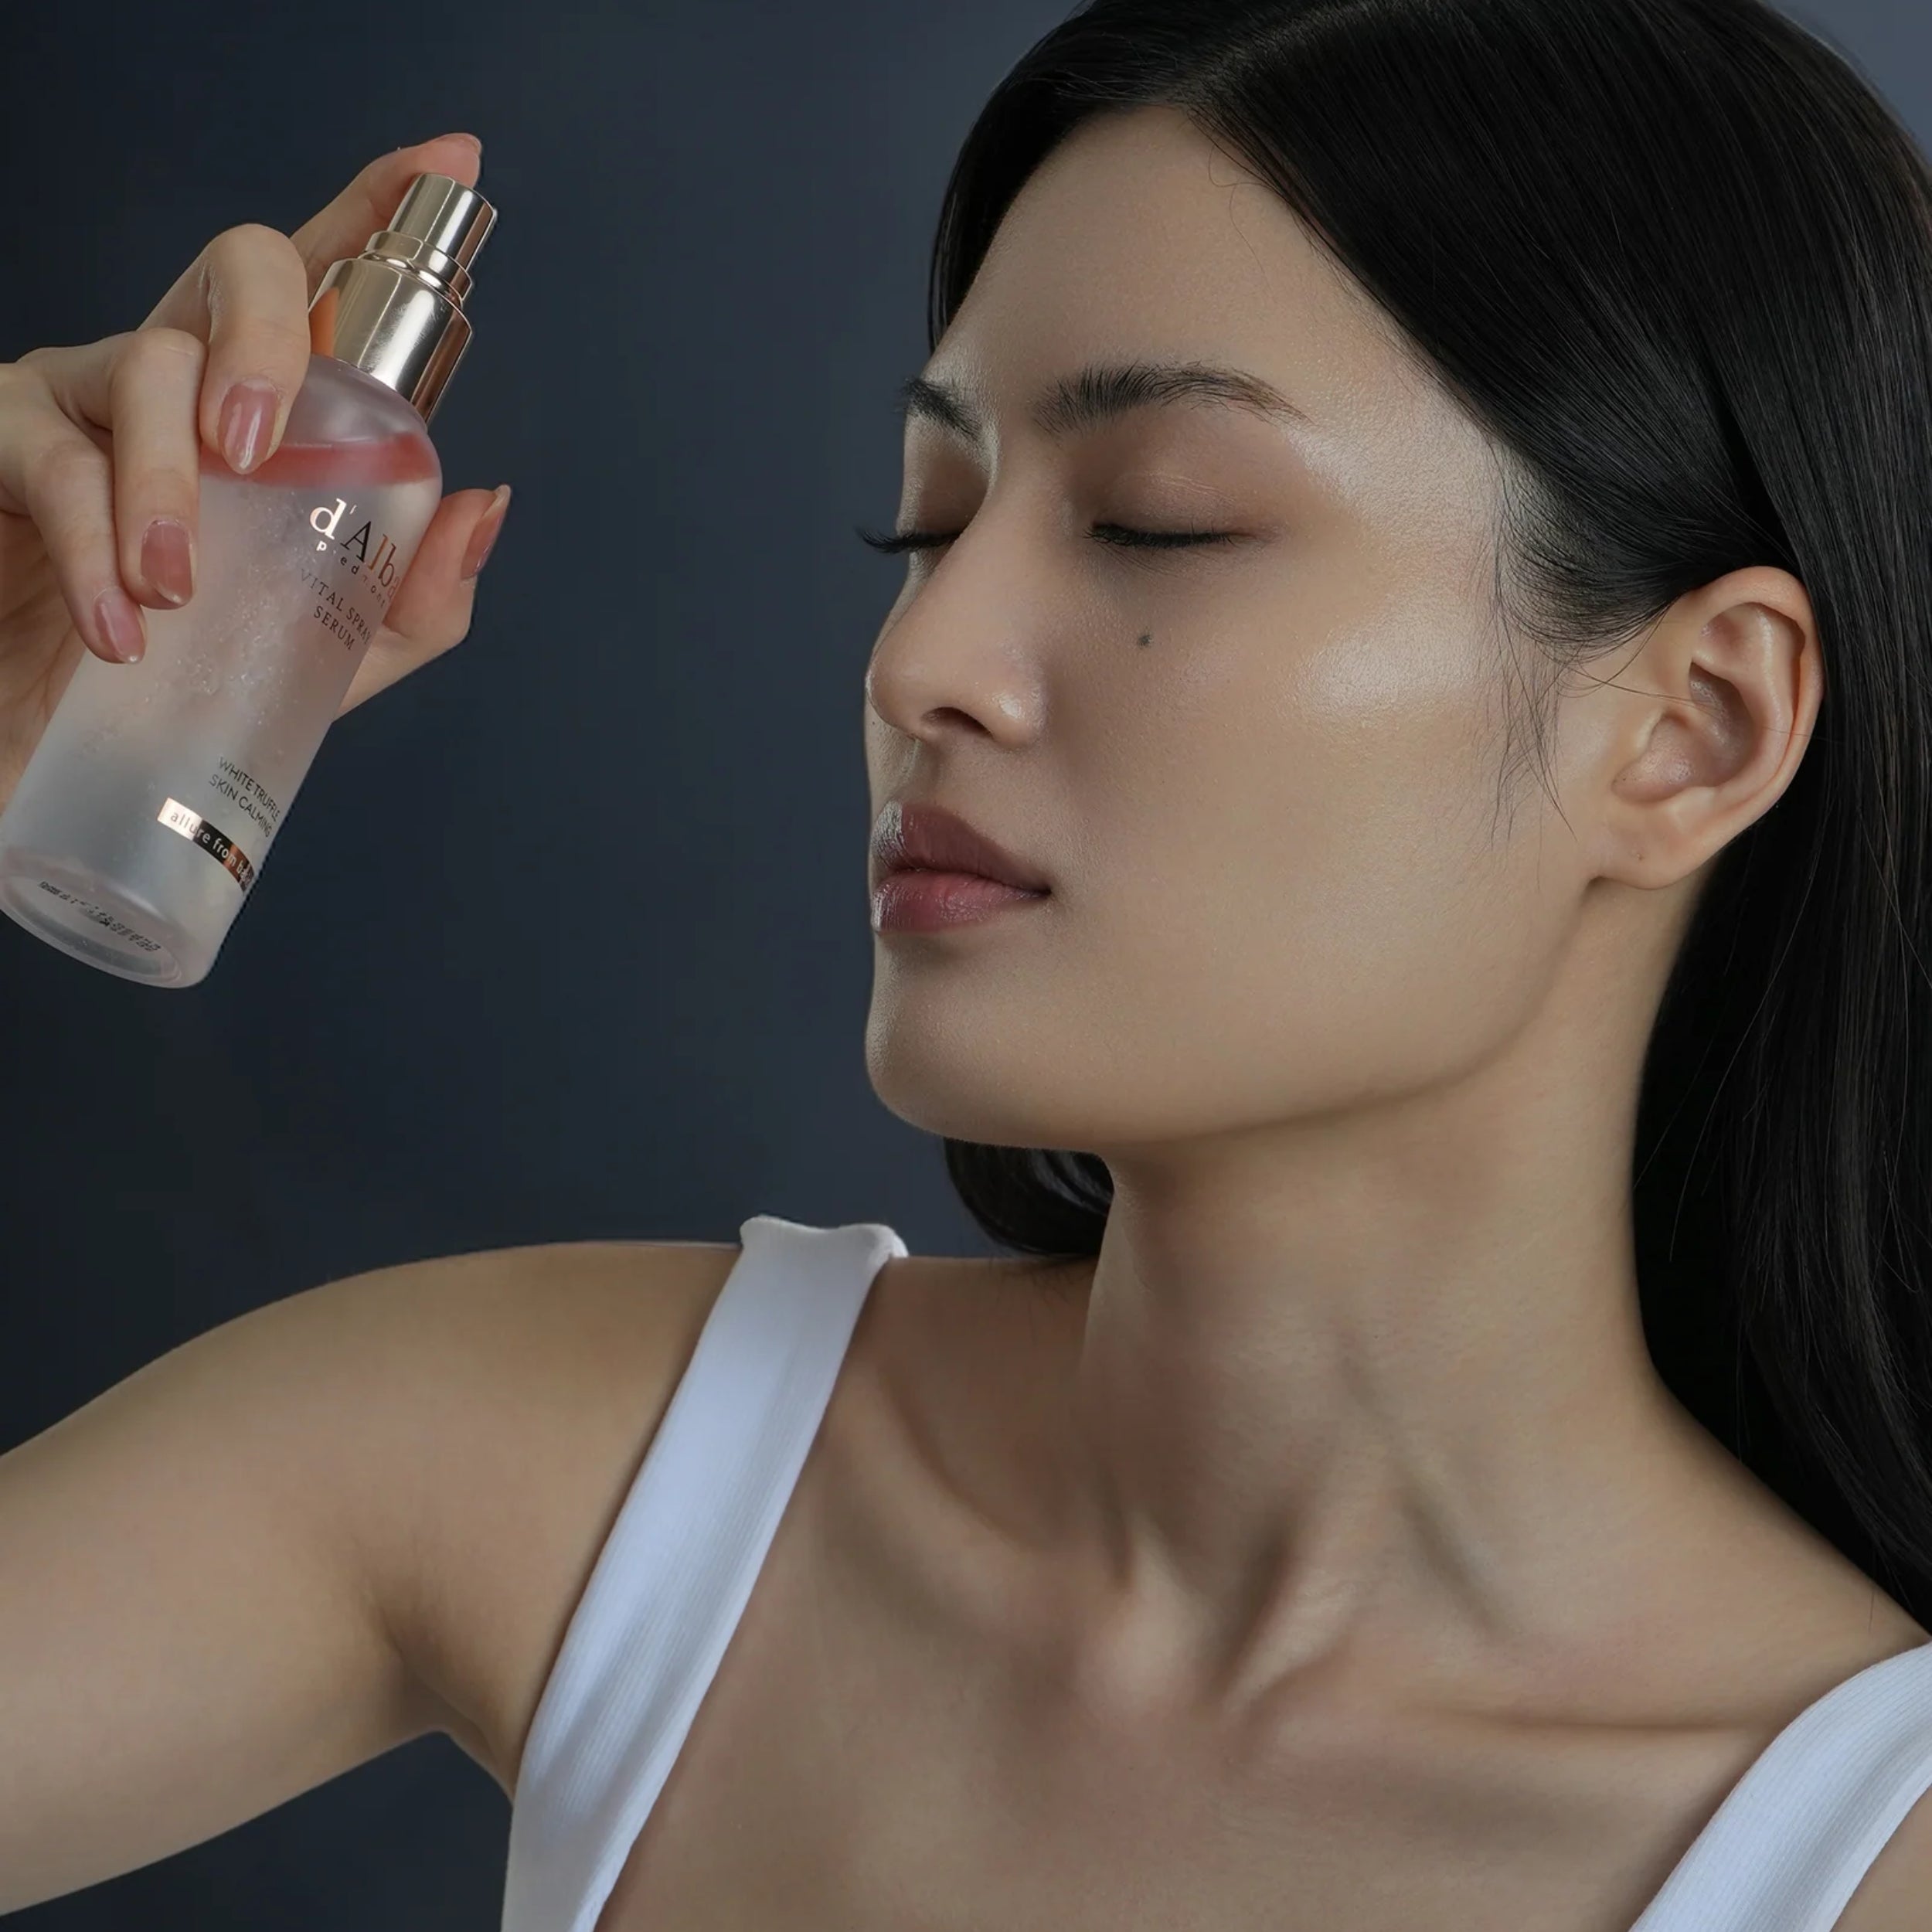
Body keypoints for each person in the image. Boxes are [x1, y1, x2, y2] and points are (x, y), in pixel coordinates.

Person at [6, 1, 1932, 1926]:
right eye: (929, 521)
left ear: (1692, 725)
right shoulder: (550, 1463)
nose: (917, 664)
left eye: (1157, 522)